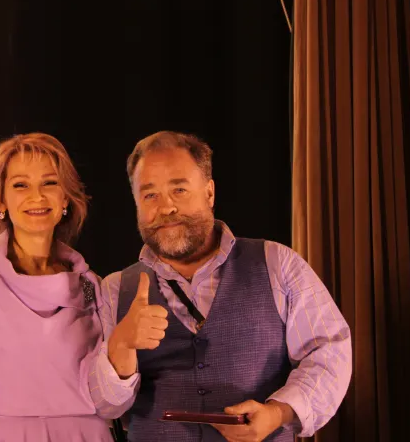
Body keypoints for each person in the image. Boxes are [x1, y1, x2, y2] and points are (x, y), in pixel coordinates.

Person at [88, 131, 352, 442]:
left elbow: (329, 354)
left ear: (210, 193)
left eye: (179, 190)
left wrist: (278, 412)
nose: (166, 208)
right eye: (150, 195)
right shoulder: (114, 289)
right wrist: (121, 345)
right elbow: (107, 407)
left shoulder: (278, 264)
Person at [0, 133, 113, 441]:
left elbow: (110, 391)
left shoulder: (91, 285)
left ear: (65, 198)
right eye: (21, 185)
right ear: (1, 201)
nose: (37, 196)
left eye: (50, 183)